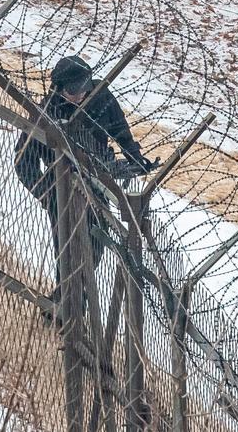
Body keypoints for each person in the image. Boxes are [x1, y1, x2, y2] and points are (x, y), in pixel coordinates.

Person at [14, 55, 154, 305]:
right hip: (61, 187)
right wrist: (46, 194)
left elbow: (121, 131)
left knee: (95, 246)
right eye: (72, 90)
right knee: (67, 250)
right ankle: (68, 307)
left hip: (98, 183)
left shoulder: (100, 97)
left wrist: (135, 159)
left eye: (84, 88)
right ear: (58, 88)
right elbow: (23, 162)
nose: (79, 95)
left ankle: (70, 304)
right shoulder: (46, 113)